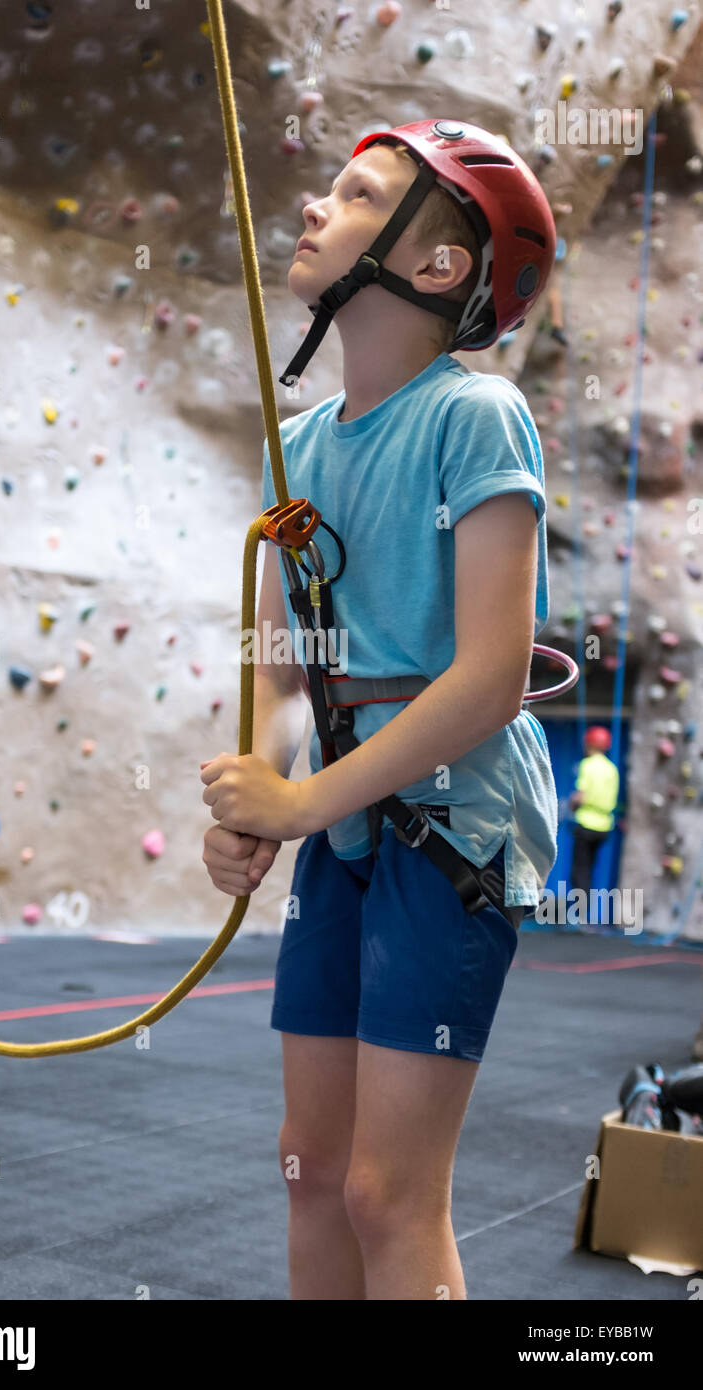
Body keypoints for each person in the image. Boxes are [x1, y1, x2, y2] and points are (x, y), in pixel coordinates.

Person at [200, 120, 557, 1299]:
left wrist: (300, 799)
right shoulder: (294, 448)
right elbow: (283, 657)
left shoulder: (475, 417)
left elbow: (489, 676)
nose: (314, 206)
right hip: (347, 823)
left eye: (355, 193)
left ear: (441, 265)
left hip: (449, 827)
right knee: (312, 1170)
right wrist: (261, 786)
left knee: (387, 1192)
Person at [568, 726, 620, 918]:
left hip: (586, 823)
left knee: (580, 870)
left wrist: (571, 805)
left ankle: (578, 915)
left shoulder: (587, 765)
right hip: (604, 826)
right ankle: (586, 913)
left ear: (589, 743)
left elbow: (580, 796)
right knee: (590, 868)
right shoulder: (611, 769)